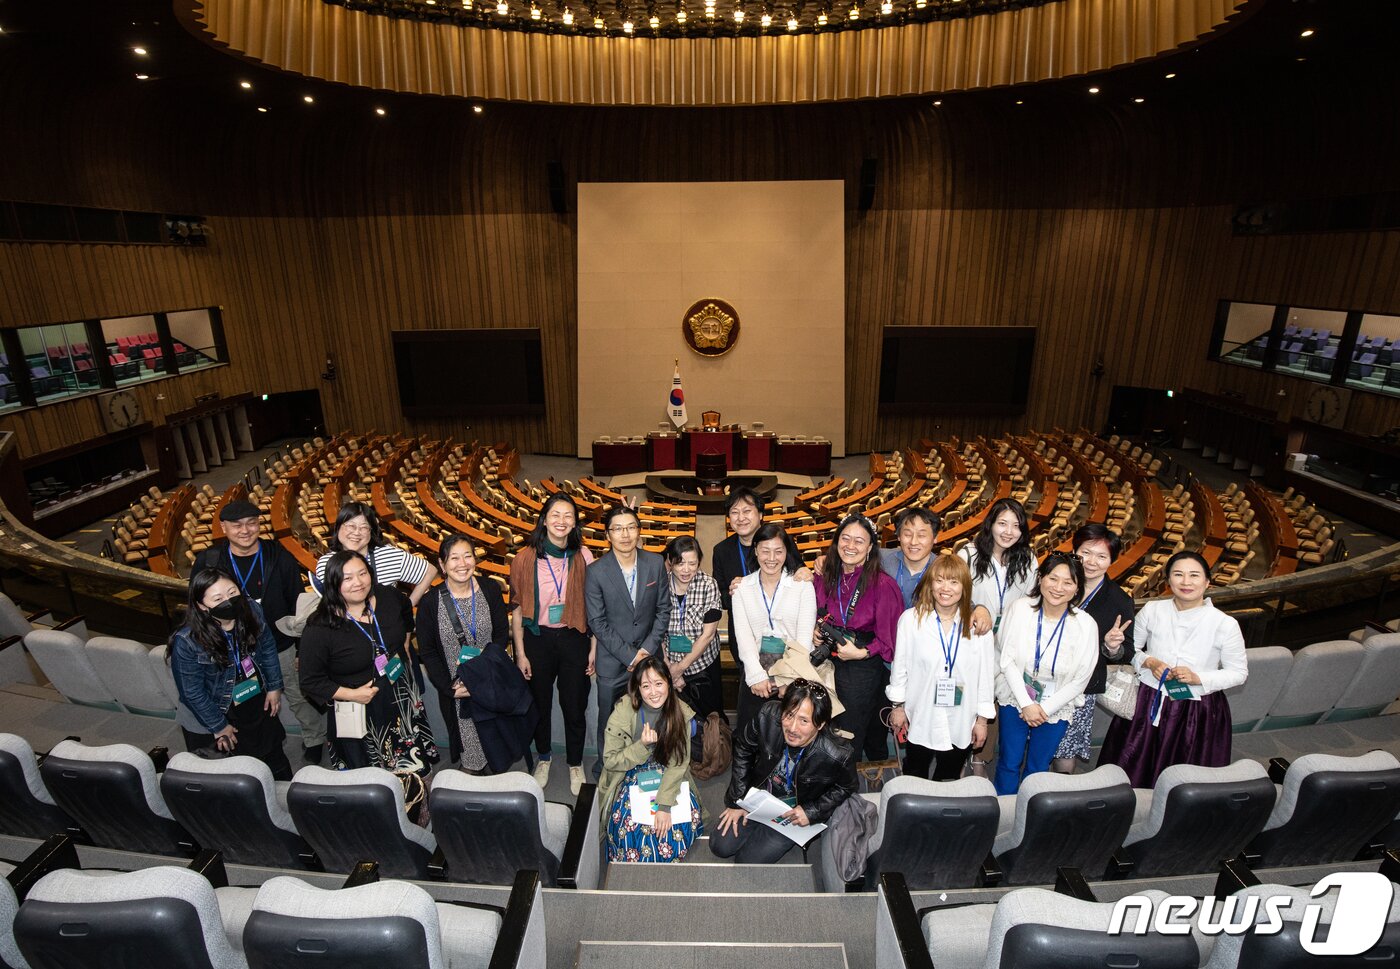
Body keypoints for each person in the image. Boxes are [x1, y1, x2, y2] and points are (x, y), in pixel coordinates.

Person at [1098, 551, 1248, 787]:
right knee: (1132, 769)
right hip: (1148, 699)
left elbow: (1239, 673)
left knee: (1186, 777)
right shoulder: (1153, 610)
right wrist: (1149, 662)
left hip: (1197, 708)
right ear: (1168, 580)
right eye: (1178, 574)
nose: (1186, 582)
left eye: (1194, 575)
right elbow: (1131, 649)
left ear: (1207, 581)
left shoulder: (1225, 624)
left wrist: (1199, 677)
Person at [192, 499, 322, 764]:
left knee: (297, 696)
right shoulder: (209, 560)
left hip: (278, 642)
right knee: (248, 700)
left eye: (252, 523)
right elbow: (197, 603)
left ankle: (315, 738)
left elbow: (298, 602)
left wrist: (301, 648)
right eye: (237, 525)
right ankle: (266, 742)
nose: (245, 530)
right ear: (223, 527)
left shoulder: (278, 553)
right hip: (233, 647)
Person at [298, 550, 437, 773]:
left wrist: (404, 643)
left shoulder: (388, 596)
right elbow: (310, 681)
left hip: (400, 693)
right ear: (333, 583)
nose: (358, 582)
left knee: (412, 767)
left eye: (363, 573)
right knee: (374, 781)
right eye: (348, 578)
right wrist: (352, 694)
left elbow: (405, 613)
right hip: (361, 709)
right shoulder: (320, 627)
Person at [712, 680, 857, 863]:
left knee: (747, 860)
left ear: (820, 724)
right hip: (761, 797)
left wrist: (811, 811)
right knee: (719, 845)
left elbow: (846, 787)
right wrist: (738, 800)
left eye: (804, 721)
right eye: (789, 715)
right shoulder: (768, 715)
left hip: (793, 813)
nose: (792, 728)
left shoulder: (838, 754)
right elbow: (743, 747)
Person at [992, 551, 1100, 795]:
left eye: (1068, 582)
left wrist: (1044, 709)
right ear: (1040, 579)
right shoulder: (1020, 608)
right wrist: (1027, 704)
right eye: (1053, 578)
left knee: (1039, 767)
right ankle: (1004, 814)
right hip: (1016, 696)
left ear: (1077, 588)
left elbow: (1080, 679)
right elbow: (1006, 660)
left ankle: (1031, 817)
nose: (1058, 587)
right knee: (1009, 762)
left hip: (1056, 704)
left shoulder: (1085, 624)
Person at [169, 568, 291, 780]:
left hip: (252, 698)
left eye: (232, 592)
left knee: (273, 758)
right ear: (202, 606)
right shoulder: (187, 640)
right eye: (218, 598)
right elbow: (192, 692)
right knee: (232, 776)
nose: (228, 601)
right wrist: (219, 726)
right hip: (213, 713)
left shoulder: (251, 609)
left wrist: (273, 686)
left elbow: (268, 646)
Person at [510, 492, 595, 794]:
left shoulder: (584, 556)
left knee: (574, 705)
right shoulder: (524, 558)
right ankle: (543, 756)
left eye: (568, 515)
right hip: (537, 639)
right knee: (540, 704)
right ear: (544, 519)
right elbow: (518, 608)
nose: (561, 521)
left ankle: (575, 762)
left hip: (574, 637)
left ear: (575, 523)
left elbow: (594, 605)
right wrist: (519, 653)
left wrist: (593, 647)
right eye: (555, 514)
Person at [888, 553, 995, 781]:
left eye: (954, 581)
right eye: (939, 580)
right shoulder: (911, 620)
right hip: (921, 714)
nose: (945, 588)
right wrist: (897, 707)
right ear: (930, 583)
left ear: (964, 587)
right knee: (914, 773)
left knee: (948, 777)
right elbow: (900, 668)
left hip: (961, 717)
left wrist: (982, 721)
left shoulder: (978, 627)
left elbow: (985, 678)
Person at [586, 504, 671, 782]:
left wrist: (645, 651)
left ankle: (650, 768)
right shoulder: (596, 571)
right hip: (613, 662)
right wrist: (631, 656)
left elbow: (663, 610)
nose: (625, 534)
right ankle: (607, 769)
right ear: (608, 535)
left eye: (631, 527)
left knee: (651, 716)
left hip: (649, 658)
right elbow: (597, 622)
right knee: (609, 721)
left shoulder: (655, 563)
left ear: (639, 531)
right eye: (618, 529)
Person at [417, 534, 512, 770]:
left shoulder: (489, 588)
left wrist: (488, 667)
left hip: (490, 679)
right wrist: (449, 688)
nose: (462, 564)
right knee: (469, 742)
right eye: (454, 558)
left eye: (468, 556)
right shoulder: (430, 603)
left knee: (496, 736)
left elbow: (501, 633)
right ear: (442, 564)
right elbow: (427, 651)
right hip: (457, 687)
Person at [813, 513, 903, 760]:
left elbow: (892, 640)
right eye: (845, 538)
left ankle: (845, 789)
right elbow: (813, 610)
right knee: (822, 722)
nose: (850, 546)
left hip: (861, 662)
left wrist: (861, 653)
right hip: (827, 656)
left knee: (848, 731)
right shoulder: (824, 575)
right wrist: (814, 630)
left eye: (859, 541)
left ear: (871, 547)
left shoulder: (883, 585)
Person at [599, 655, 705, 862]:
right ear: (637, 688)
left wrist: (664, 806)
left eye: (659, 684)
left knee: (676, 825)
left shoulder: (679, 712)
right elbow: (611, 761)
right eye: (646, 686)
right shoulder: (623, 711)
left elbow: (679, 763)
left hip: (669, 773)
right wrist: (641, 746)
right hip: (630, 773)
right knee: (631, 829)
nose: (654, 692)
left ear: (669, 683)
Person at [1051, 523, 1135, 774]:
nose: (1091, 561)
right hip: (1043, 677)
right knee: (1035, 741)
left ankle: (1061, 795)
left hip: (1081, 685)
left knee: (1065, 747)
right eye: (1086, 552)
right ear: (1075, 551)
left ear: (1111, 561)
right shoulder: (1056, 583)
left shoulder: (1119, 599)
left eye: (1101, 556)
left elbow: (1127, 651)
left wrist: (1111, 647)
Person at [730, 522, 817, 733]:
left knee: (791, 737)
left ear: (786, 552)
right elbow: (744, 638)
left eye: (778, 551)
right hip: (756, 673)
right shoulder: (742, 588)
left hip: (794, 672)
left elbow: (804, 640)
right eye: (765, 551)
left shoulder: (802, 586)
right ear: (756, 551)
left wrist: (789, 679)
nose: (771, 558)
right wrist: (757, 677)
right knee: (749, 739)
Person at [711, 487, 808, 672]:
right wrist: (732, 592)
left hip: (784, 635)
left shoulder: (780, 541)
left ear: (761, 514)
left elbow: (799, 571)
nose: (741, 518)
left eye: (747, 511)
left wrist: (805, 572)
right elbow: (720, 599)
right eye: (734, 512)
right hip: (743, 636)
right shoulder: (722, 550)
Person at [315, 501, 437, 607]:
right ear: (338, 527)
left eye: (364, 527)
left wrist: (408, 606)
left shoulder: (388, 555)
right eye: (351, 526)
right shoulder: (326, 563)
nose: (356, 533)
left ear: (371, 532)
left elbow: (430, 571)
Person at [661, 536, 725, 721]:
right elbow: (656, 631)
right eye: (680, 563)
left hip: (703, 665)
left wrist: (680, 668)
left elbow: (708, 634)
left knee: (710, 720)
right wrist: (669, 669)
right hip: (669, 663)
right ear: (670, 562)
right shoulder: (661, 585)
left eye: (692, 563)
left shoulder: (708, 585)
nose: (686, 570)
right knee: (675, 721)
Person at [959, 497, 1038, 636]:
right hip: (975, 633)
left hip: (1011, 636)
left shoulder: (1028, 559)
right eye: (1002, 523)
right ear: (991, 524)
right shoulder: (968, 555)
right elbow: (953, 594)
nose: (1009, 532)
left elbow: (1032, 599)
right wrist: (974, 608)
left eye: (1016, 526)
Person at [880, 507, 942, 610]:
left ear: (935, 538)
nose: (913, 542)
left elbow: (964, 602)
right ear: (899, 536)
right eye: (907, 534)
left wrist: (978, 608)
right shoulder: (882, 559)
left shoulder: (945, 569)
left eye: (921, 535)